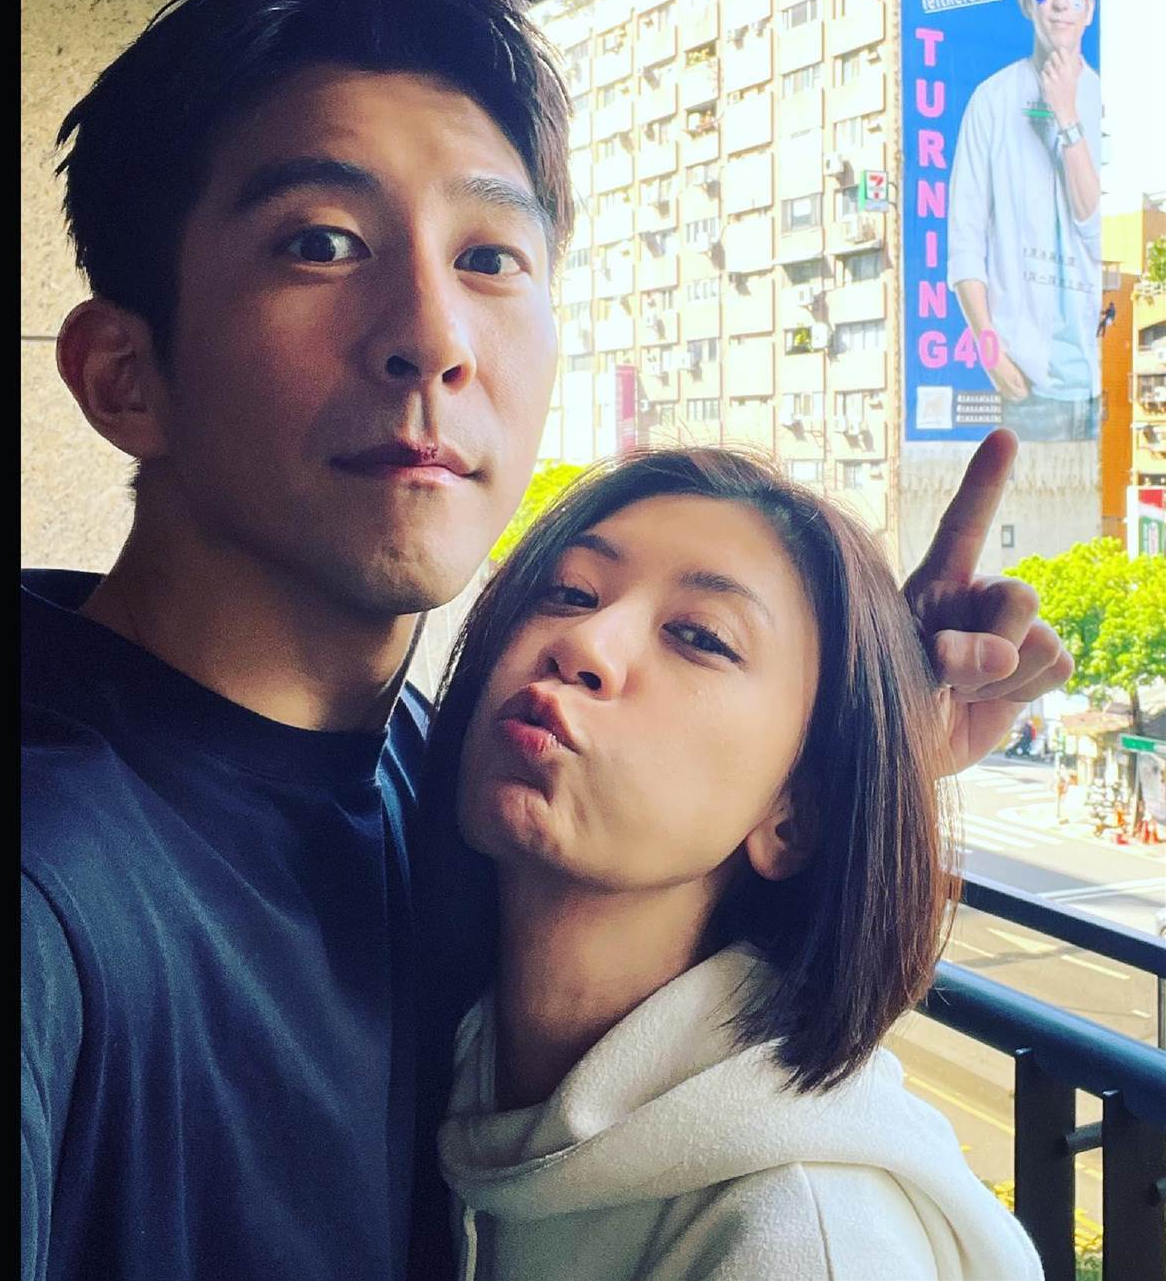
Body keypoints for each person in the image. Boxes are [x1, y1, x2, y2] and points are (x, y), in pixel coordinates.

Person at [22, 0, 1070, 1281]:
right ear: (124, 376)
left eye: (492, 258)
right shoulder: (50, 882)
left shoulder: (425, 783)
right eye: (322, 243)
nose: (434, 337)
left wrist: (850, 737)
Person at [429, 447, 1043, 1279]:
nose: (584, 642)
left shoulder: (804, 1241)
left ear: (794, 819)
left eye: (700, 637)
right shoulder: (445, 1036)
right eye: (570, 593)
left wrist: (879, 737)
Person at [948, 0, 1101, 441]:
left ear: (1089, 7)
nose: (1059, 0)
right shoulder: (991, 100)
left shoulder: (1100, 98)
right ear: (1024, 0)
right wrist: (990, 351)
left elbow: (1091, 220)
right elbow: (964, 239)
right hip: (1027, 384)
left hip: (1094, 381)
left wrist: (1067, 115)